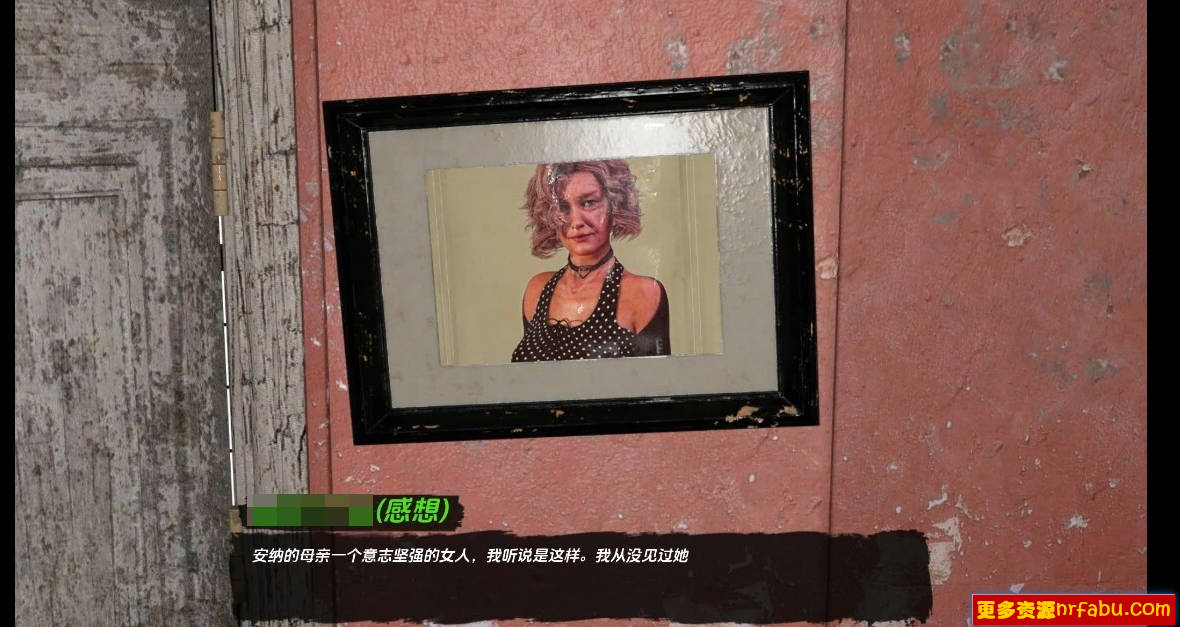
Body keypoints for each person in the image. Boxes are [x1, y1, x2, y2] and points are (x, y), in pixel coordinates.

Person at [511, 159, 670, 362]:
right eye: (562, 207)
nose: (576, 221)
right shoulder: (537, 289)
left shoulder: (643, 293)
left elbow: (659, 380)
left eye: (588, 202)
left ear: (615, 205)